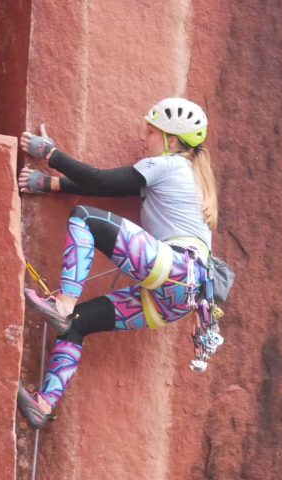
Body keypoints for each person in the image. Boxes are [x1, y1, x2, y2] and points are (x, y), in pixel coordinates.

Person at [15, 97, 218, 428]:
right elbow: (114, 189)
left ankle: (63, 302)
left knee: (83, 218)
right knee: (77, 325)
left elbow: (101, 181)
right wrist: (51, 183)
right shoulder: (189, 177)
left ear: (172, 140)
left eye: (150, 132)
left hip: (175, 269)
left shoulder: (168, 164)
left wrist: (51, 154)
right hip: (178, 301)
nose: (143, 138)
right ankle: (44, 403)